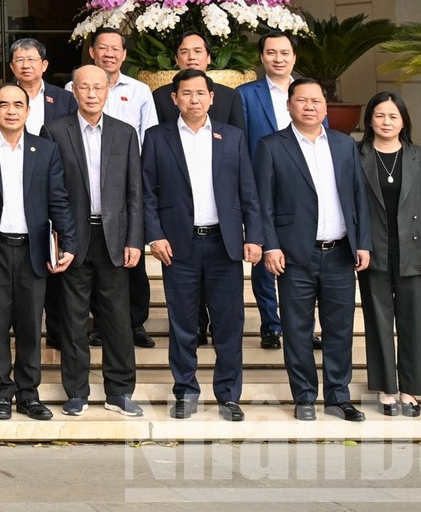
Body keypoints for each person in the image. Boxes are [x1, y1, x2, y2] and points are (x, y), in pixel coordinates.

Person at [142, 68, 264, 421]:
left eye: (200, 93)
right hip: (178, 246)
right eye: (186, 93)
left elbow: (249, 193)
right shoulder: (156, 137)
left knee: (229, 323)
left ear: (212, 98)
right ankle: (185, 392)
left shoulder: (233, 137)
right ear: (174, 98)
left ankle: (228, 394)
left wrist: (253, 236)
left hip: (223, 244)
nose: (193, 100)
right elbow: (147, 193)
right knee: (182, 323)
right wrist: (155, 235)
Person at [255, 77, 371, 422]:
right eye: (302, 100)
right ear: (289, 105)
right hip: (293, 256)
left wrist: (362, 242)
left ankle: (338, 397)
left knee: (339, 329)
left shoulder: (343, 145)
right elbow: (264, 203)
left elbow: (358, 197)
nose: (310, 106)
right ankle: (304, 396)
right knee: (297, 329)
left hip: (339, 253)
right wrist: (270, 246)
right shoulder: (271, 146)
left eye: (316, 101)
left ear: (325, 106)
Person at [45, 62, 144, 417]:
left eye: (98, 88)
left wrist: (135, 239)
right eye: (84, 87)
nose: (91, 94)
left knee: (117, 318)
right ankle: (77, 392)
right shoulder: (55, 131)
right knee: (72, 320)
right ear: (73, 91)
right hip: (74, 236)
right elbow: (52, 191)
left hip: (114, 238)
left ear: (107, 91)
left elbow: (135, 191)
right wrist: (59, 237)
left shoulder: (125, 132)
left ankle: (119, 391)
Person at [0, 80, 74, 421]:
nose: (11, 111)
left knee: (31, 326)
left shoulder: (44, 149)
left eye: (18, 105)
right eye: (3, 105)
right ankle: (1, 393)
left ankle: (29, 394)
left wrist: (69, 243)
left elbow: (58, 200)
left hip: (33, 248)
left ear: (28, 111)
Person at [357, 91, 421, 416]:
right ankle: (386, 387)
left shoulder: (419, 157)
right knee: (378, 321)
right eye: (380, 115)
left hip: (415, 251)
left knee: (416, 321)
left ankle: (412, 388)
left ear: (403, 120)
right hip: (373, 251)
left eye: (393, 116)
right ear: (370, 120)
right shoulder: (357, 154)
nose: (386, 121)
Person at [79, 29, 157, 347]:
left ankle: (135, 322)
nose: (109, 53)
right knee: (96, 261)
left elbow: (148, 136)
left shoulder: (139, 91)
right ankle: (99, 322)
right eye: (103, 48)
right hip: (88, 185)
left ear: (124, 54)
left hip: (127, 181)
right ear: (92, 53)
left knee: (130, 258)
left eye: (116, 48)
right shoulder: (75, 87)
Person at [236, 31, 299, 350]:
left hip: (302, 188)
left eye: (285, 53)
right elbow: (241, 143)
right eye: (272, 53)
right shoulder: (246, 94)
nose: (278, 58)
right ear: (261, 58)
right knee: (263, 255)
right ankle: (271, 325)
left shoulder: (307, 92)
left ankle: (301, 325)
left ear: (294, 58)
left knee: (302, 258)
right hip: (262, 185)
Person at [150, 33, 247, 131]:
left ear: (208, 57)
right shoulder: (160, 96)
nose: (191, 57)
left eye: (197, 51)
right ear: (176, 59)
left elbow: (238, 139)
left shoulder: (229, 96)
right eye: (184, 52)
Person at [2, 38, 70, 139]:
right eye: (20, 60)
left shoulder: (65, 98)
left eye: (31, 59)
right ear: (12, 67)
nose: (26, 65)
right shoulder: (1, 97)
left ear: (44, 65)